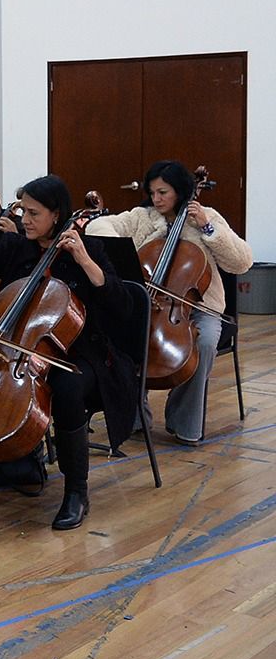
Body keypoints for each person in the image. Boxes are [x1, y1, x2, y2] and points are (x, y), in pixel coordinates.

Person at [0, 174, 134, 530]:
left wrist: (83, 260)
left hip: (79, 354)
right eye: (23, 212)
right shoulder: (16, 246)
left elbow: (123, 307)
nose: (25, 220)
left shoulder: (90, 250)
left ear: (57, 214)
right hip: (15, 350)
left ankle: (76, 491)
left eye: (34, 213)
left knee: (66, 390)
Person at [85, 160, 252, 445]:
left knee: (205, 342)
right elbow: (98, 227)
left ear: (180, 191)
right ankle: (134, 417)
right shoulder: (142, 217)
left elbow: (242, 261)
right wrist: (138, 247)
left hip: (197, 308)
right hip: (148, 303)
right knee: (122, 339)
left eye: (163, 192)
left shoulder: (205, 217)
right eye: (152, 193)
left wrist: (208, 229)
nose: (156, 199)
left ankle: (184, 421)